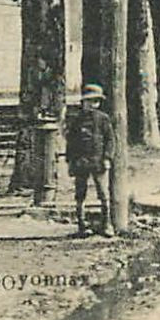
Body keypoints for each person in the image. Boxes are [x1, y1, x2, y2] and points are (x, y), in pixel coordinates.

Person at [66, 83, 117, 237]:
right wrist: (71, 161)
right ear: (83, 102)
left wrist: (107, 157)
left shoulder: (103, 119)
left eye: (96, 101)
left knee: (103, 193)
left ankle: (106, 224)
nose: (92, 105)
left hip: (98, 161)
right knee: (80, 194)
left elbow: (110, 140)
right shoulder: (76, 120)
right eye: (89, 101)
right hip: (81, 162)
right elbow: (71, 142)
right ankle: (82, 225)